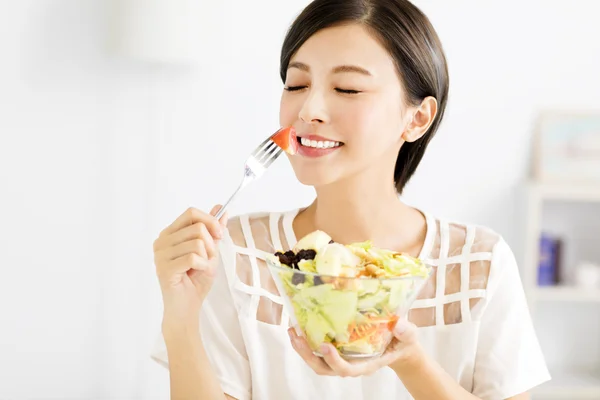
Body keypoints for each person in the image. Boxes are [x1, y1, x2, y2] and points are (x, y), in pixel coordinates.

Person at [150, 0, 551, 399]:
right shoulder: (235, 252)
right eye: (296, 85)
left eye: (347, 88)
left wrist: (411, 361)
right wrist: (180, 318)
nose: (309, 110)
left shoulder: (479, 264)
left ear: (418, 118)